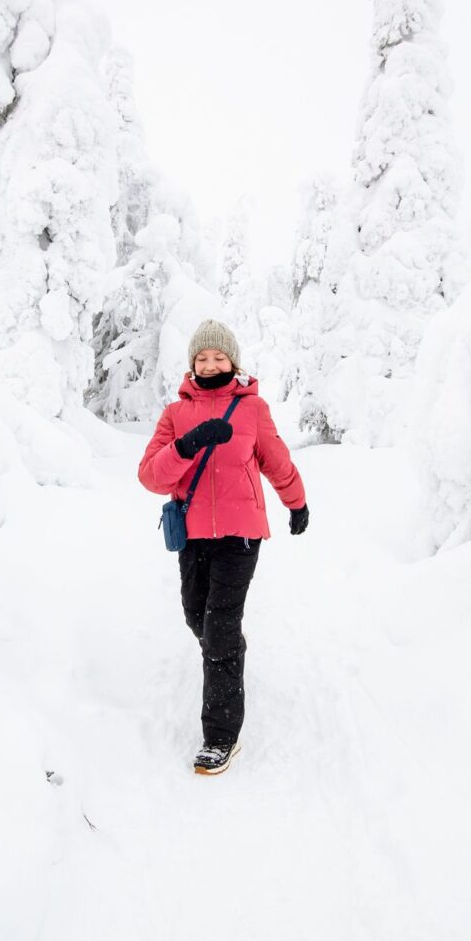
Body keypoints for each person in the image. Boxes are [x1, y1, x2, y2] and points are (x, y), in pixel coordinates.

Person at [138, 319, 309, 775]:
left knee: (218, 629)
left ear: (233, 361)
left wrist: (297, 502)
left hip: (240, 535)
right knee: (197, 614)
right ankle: (228, 646)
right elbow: (151, 475)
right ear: (192, 363)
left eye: (219, 357)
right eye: (202, 357)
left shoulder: (252, 410)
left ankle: (221, 736)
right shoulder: (175, 415)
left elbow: (276, 461)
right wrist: (188, 445)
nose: (211, 363)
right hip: (192, 537)